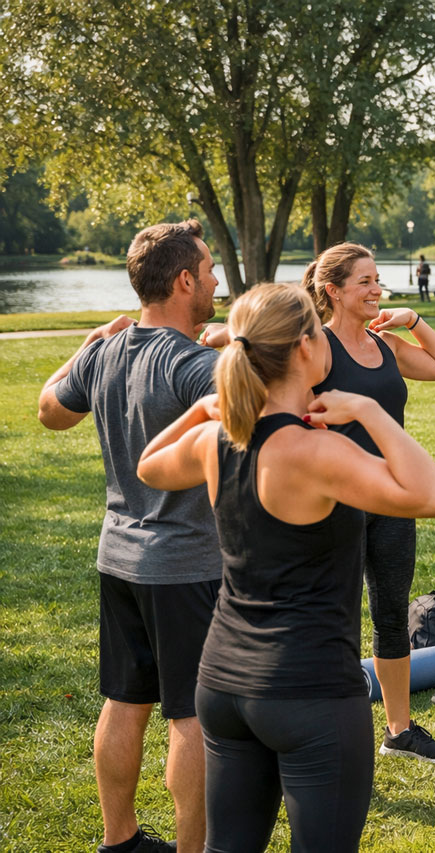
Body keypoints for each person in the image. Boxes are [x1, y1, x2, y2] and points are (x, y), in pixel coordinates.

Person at [136, 283, 435, 852]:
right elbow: (432, 495)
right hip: (308, 692)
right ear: (307, 348)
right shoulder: (317, 453)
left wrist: (205, 409)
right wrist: (369, 411)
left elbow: (149, 467)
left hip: (224, 685)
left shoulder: (216, 440)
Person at [37, 220, 221, 853]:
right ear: (184, 280)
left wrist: (89, 344)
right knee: (192, 719)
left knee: (123, 701)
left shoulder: (106, 352)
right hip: (186, 567)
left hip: (117, 557)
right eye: (210, 268)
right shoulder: (194, 363)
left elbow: (49, 411)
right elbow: (257, 405)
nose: (218, 279)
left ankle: (120, 841)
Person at [305, 242, 435, 764]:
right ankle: (328, 733)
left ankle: (398, 732)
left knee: (392, 614)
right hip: (338, 502)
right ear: (333, 291)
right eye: (365, 282)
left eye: (379, 280)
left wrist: (413, 319)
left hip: (394, 500)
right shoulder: (318, 350)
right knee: (334, 620)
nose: (377, 290)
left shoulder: (387, 346)